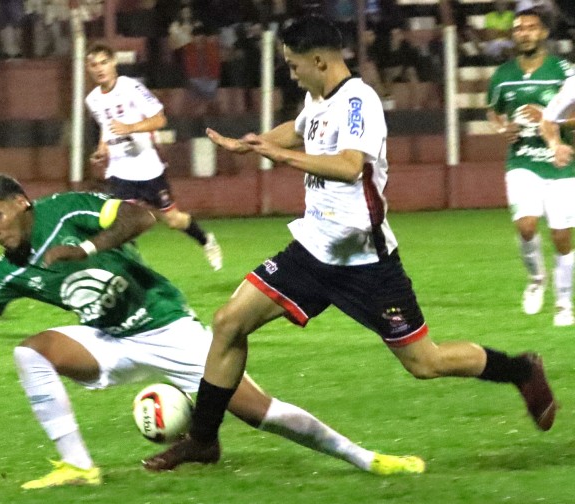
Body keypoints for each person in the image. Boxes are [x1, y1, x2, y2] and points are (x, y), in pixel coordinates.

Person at [143, 14, 558, 473]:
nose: (291, 73)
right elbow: (299, 128)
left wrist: (279, 156)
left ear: (319, 60)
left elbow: (349, 166)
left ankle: (520, 369)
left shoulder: (360, 102)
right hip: (312, 251)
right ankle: (203, 440)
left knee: (426, 362)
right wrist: (255, 143)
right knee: (228, 323)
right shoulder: (317, 97)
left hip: (365, 263)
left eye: (294, 65)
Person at [0, 174, 426, 489]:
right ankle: (78, 466)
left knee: (260, 412)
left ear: (21, 204)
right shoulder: (11, 270)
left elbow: (141, 214)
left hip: (168, 327)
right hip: (109, 341)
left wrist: (88, 248)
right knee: (31, 352)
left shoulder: (66, 212)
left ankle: (366, 458)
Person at [84, 43, 223, 271]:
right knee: (122, 223)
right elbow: (106, 128)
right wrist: (102, 149)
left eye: (104, 62)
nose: (99, 69)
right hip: (119, 171)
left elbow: (160, 119)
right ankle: (133, 271)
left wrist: (130, 128)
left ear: (114, 63)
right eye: (94, 65)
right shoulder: (93, 99)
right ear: (88, 68)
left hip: (148, 169)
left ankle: (206, 240)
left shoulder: (130, 88)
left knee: (174, 220)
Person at [486, 9, 575, 326]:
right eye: (519, 28)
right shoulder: (503, 74)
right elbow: (493, 112)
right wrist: (502, 128)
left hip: (561, 162)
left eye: (531, 27)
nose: (524, 33)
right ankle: (537, 279)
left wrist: (549, 118)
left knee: (561, 236)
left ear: (544, 33)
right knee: (525, 226)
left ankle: (563, 303)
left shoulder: (563, 71)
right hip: (522, 160)